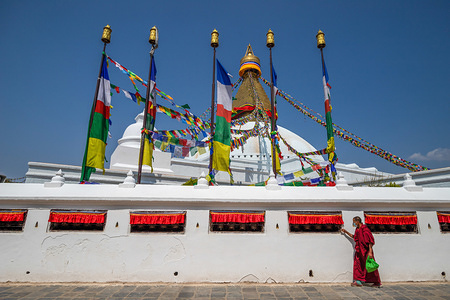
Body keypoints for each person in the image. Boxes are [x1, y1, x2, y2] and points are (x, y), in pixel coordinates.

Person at [341, 216, 382, 287]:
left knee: (370, 265)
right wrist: (346, 232)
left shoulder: (365, 229)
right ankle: (358, 281)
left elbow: (370, 241)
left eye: (354, 221)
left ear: (357, 221)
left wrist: (370, 252)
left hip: (366, 251)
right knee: (358, 265)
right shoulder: (357, 229)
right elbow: (354, 237)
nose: (353, 223)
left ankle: (377, 282)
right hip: (359, 251)